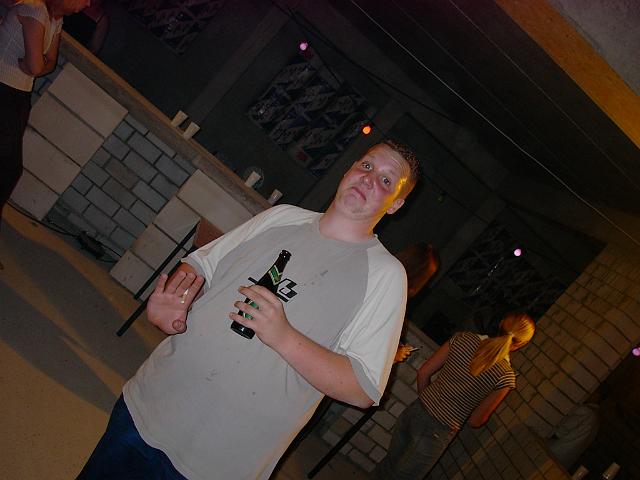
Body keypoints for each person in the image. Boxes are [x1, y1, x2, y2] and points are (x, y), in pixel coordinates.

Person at [77, 139, 422, 480]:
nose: (369, 178)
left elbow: (362, 389)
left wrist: (282, 336)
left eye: (386, 180)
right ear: (349, 169)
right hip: (149, 403)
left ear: (395, 205)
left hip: (218, 459)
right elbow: (202, 265)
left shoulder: (385, 276)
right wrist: (175, 303)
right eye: (366, 165)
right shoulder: (283, 216)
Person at [373, 312, 536, 480]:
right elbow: (476, 421)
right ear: (522, 343)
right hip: (438, 431)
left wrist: (428, 402)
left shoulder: (463, 338)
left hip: (415, 411)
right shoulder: (505, 377)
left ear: (501, 323)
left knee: (388, 465)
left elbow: (424, 372)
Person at [0, 0, 89, 224]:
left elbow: (49, 62)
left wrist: (35, 65)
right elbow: (37, 66)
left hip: (18, 95)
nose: (87, 4)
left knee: (7, 169)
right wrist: (34, 65)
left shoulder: (55, 19)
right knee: (8, 169)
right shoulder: (35, 9)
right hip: (4, 89)